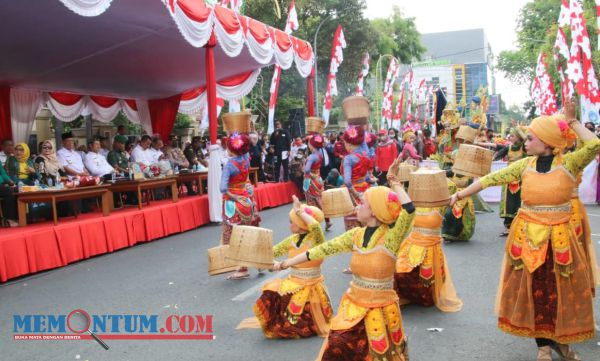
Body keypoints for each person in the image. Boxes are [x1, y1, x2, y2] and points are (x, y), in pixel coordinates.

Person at [449, 99, 600, 361]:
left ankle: (561, 344)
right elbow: (488, 180)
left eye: (531, 138)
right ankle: (542, 347)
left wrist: (573, 122)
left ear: (548, 142)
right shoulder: (524, 166)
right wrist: (460, 194)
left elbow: (596, 144)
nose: (526, 142)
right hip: (528, 241)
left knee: (560, 294)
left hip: (561, 241)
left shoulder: (570, 163)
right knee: (535, 293)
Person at [274, 183, 416, 361]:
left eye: (362, 203)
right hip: (354, 303)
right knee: (337, 343)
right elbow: (321, 249)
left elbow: (409, 211)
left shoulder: (391, 237)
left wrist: (395, 183)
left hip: (380, 305)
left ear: (374, 211)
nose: (357, 206)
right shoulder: (355, 235)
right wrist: (287, 263)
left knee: (378, 353)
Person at [243, 196, 332, 338]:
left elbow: (315, 226)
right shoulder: (292, 240)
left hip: (311, 284)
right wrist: (253, 255)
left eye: (292, 222)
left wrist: (299, 211)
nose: (290, 225)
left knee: (301, 322)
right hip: (293, 281)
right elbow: (272, 252)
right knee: (270, 293)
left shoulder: (317, 239)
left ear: (301, 223)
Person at [394, 175, 463, 312]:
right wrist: (394, 180)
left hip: (431, 248)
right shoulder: (412, 201)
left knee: (426, 285)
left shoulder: (442, 204)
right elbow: (399, 195)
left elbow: (457, 194)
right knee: (399, 272)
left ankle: (421, 297)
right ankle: (406, 295)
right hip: (411, 244)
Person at [220, 133, 261, 280]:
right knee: (247, 231)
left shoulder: (229, 165)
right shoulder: (245, 160)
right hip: (246, 199)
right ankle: (258, 261)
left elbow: (223, 188)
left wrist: (234, 196)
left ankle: (242, 268)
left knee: (232, 235)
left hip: (233, 202)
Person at [478, 126, 527, 235]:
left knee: (519, 201)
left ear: (519, 137)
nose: (510, 137)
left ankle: (519, 224)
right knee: (509, 202)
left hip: (521, 179)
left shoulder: (524, 147)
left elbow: (526, 140)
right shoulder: (508, 148)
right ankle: (509, 226)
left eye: (513, 135)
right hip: (509, 179)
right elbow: (496, 152)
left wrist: (518, 129)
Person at [303, 134, 332, 231]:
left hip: (310, 181)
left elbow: (307, 170)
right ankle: (328, 221)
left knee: (311, 203)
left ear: (312, 145)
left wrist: (307, 171)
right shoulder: (320, 153)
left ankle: (314, 224)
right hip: (318, 179)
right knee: (320, 201)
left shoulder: (312, 156)